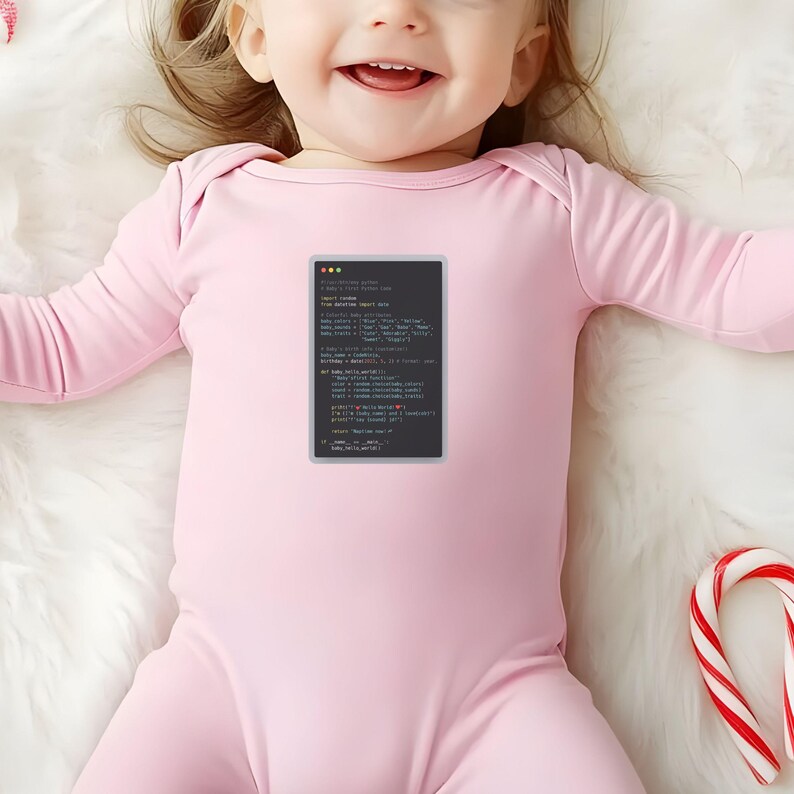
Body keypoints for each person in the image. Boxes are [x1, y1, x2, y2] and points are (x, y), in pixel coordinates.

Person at [9, 0, 779, 791]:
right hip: (220, 690)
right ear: (255, 34)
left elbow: (732, 284)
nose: (395, 13)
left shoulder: (558, 208)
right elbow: (57, 345)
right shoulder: (206, 208)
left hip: (494, 703)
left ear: (523, 60)